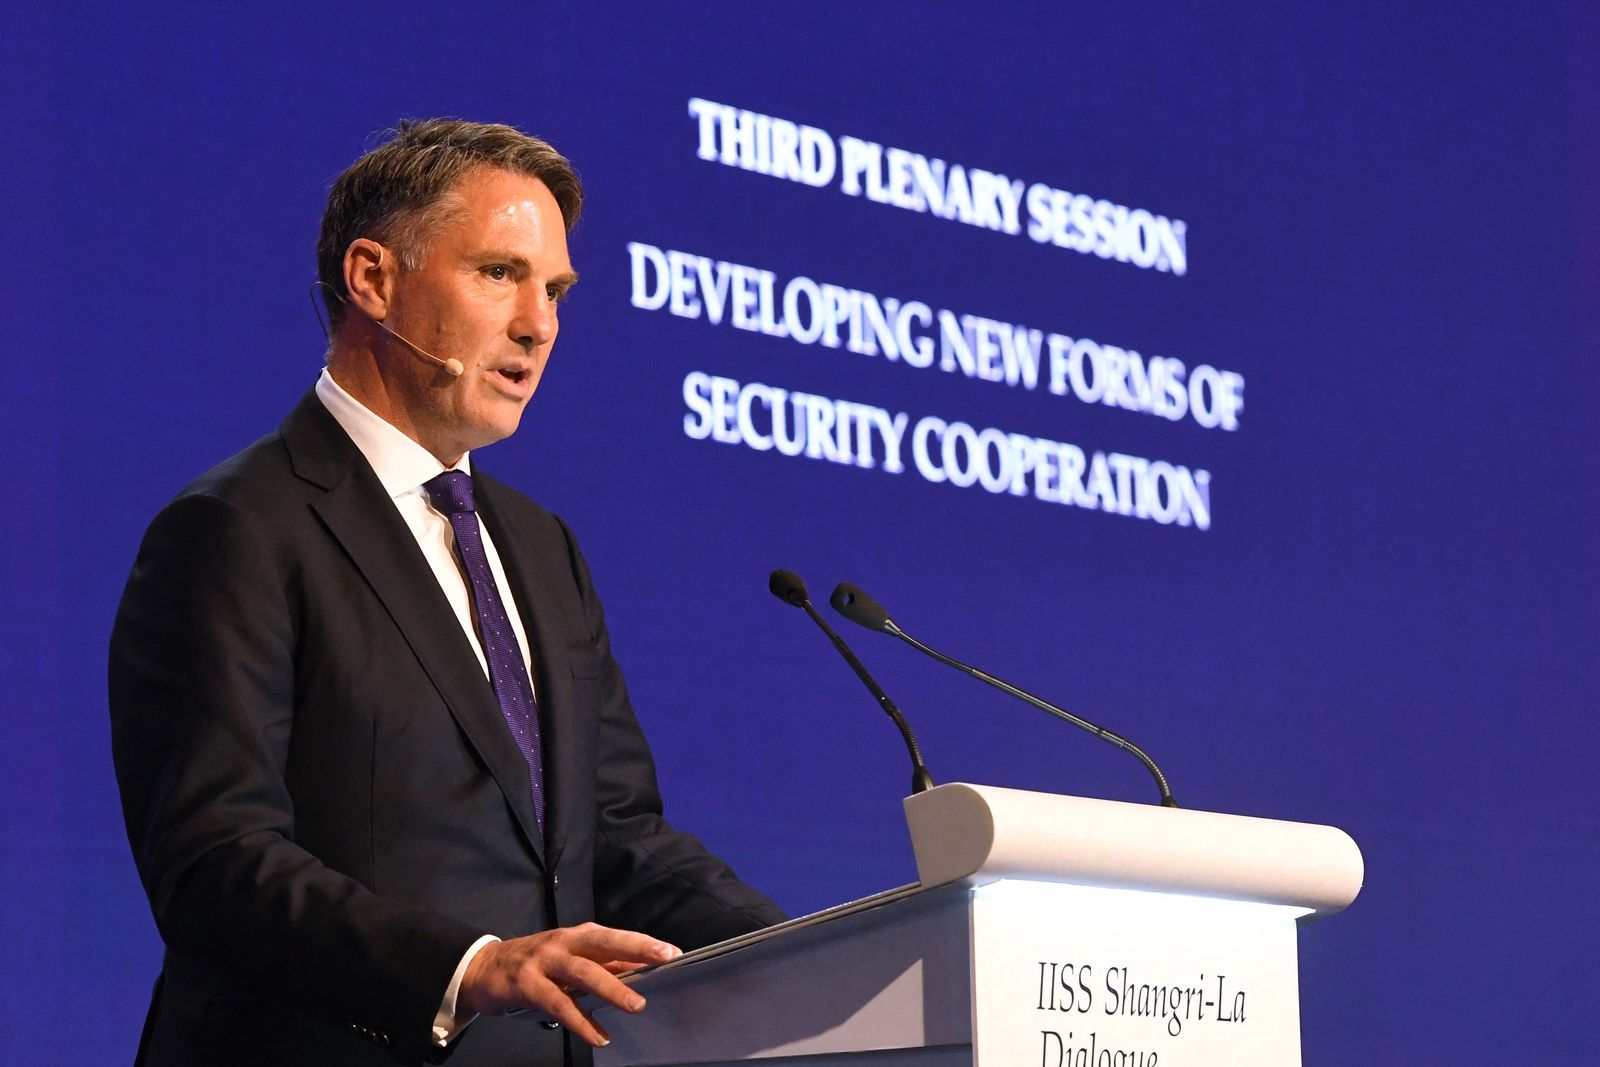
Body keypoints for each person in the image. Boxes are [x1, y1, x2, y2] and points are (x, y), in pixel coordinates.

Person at [109, 119, 784, 1067]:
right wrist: (467, 968)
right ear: (373, 280)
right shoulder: (238, 527)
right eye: (499, 273)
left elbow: (619, 838)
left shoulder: (542, 548)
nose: (540, 324)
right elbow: (214, 863)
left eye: (554, 291)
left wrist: (825, 949)